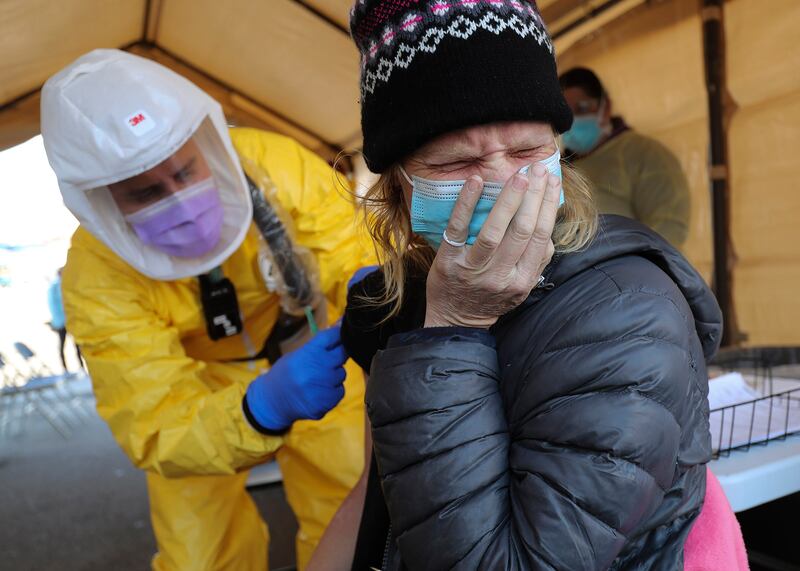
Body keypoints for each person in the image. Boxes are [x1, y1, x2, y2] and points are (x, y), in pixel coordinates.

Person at [306, 1, 744, 569]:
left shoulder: (625, 314)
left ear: (559, 152)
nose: (501, 182)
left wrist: (455, 327)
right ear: (397, 185)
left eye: (526, 151)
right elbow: (377, 495)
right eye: (455, 162)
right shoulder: (405, 298)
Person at [40, 49, 374, 571]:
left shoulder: (277, 167)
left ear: (206, 141)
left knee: (353, 511)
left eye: (185, 170)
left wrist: (374, 297)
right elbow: (154, 417)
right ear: (101, 199)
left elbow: (351, 254)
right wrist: (257, 409)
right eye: (146, 192)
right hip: (193, 389)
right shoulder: (96, 273)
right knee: (200, 556)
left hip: (308, 354)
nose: (179, 199)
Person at [559, 67, 691, 248]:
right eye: (565, 112)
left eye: (582, 108)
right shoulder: (558, 166)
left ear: (606, 108)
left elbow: (670, 227)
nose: (573, 120)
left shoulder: (645, 154)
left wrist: (631, 261)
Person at [47, 268, 82, 372]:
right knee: (75, 344)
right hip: (66, 319)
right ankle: (80, 366)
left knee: (64, 345)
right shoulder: (61, 285)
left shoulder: (53, 286)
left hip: (59, 320)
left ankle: (66, 368)